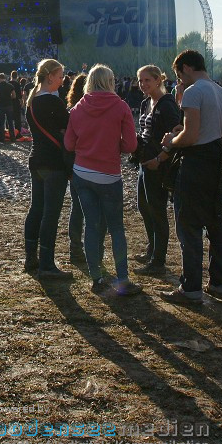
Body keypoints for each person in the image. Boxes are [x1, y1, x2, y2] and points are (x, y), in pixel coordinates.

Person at [159, 50, 222, 305]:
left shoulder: (193, 92)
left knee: (188, 226)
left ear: (186, 68)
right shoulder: (220, 91)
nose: (179, 79)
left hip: (195, 163)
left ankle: (190, 288)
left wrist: (171, 140)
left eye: (179, 74)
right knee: (215, 223)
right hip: (215, 161)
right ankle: (220, 283)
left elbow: (189, 136)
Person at [65, 64, 140, 296]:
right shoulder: (121, 107)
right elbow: (130, 145)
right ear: (110, 81)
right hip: (108, 175)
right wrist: (111, 146)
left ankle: (96, 277)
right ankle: (123, 278)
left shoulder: (78, 107)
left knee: (91, 225)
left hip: (82, 173)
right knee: (116, 228)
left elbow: (68, 144)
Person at [23, 59, 73, 278]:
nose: (62, 80)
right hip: (54, 162)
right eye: (60, 76)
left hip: (36, 159)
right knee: (51, 213)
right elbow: (69, 129)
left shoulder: (32, 101)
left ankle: (31, 258)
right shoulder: (53, 102)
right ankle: (47, 264)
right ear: (50, 76)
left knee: (37, 209)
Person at [133, 65, 182, 275]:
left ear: (158, 80)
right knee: (144, 206)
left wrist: (161, 157)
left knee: (157, 210)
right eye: (141, 81)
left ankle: (158, 260)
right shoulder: (146, 102)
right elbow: (145, 130)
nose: (143, 84)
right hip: (145, 162)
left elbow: (177, 135)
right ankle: (152, 249)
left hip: (158, 165)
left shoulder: (167, 105)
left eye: (147, 81)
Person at [66, 73, 87, 263]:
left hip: (74, 164)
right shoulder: (89, 110)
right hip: (88, 163)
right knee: (92, 209)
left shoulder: (70, 110)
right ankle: (92, 247)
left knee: (77, 208)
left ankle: (75, 247)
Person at [0, 73, 17, 142]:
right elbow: (14, 96)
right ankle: (12, 137)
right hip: (9, 105)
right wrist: (8, 97)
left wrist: (0, 97)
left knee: (1, 122)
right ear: (5, 78)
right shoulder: (10, 86)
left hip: (1, 105)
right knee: (10, 122)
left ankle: (2, 138)